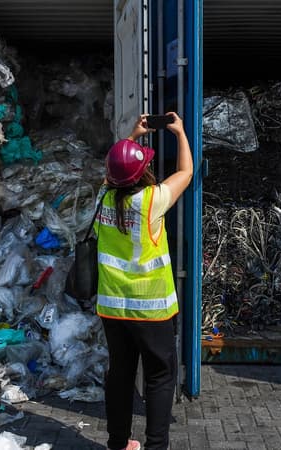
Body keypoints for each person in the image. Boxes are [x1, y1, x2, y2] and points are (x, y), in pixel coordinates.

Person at [94, 112, 193, 450]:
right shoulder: (151, 201)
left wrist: (131, 138)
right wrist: (179, 133)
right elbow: (186, 172)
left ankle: (119, 444)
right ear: (143, 173)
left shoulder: (102, 199)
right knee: (159, 378)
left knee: (119, 375)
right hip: (152, 311)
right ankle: (155, 447)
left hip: (112, 308)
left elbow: (114, 173)